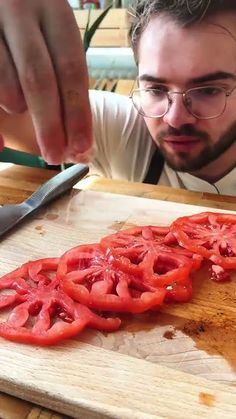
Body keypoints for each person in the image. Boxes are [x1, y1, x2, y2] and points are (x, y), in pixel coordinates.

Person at [0, 0, 236, 196]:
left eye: (208, 90)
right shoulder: (120, 128)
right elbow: (8, 118)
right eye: (155, 89)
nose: (174, 119)